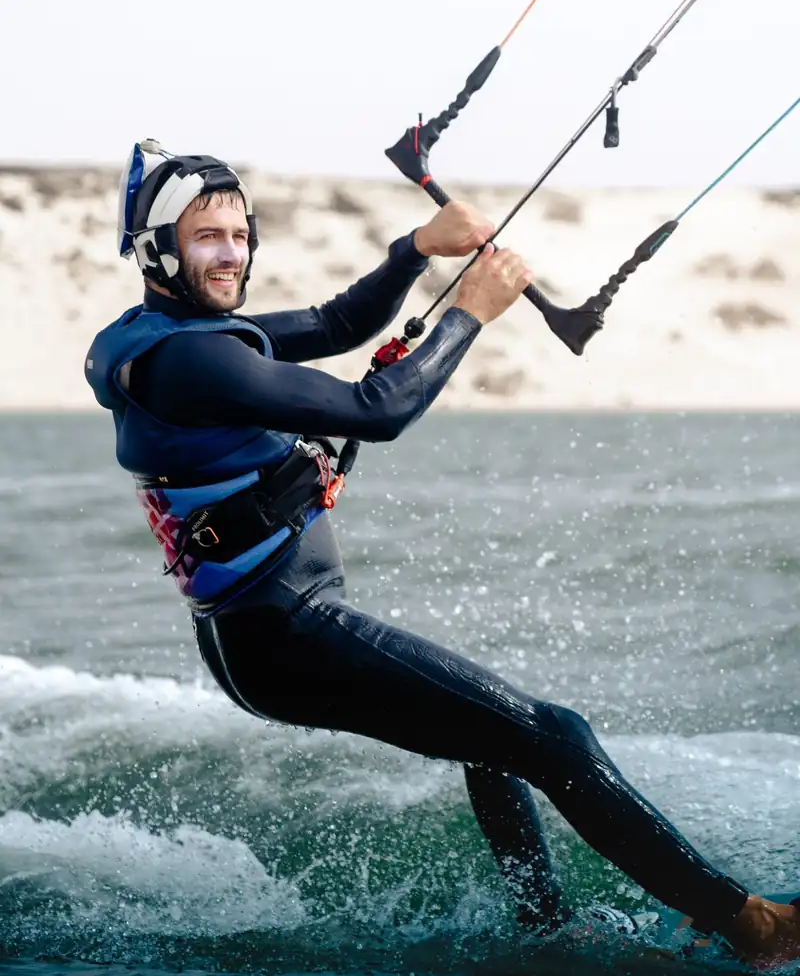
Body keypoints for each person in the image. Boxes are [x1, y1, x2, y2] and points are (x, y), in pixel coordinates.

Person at [86, 140, 799, 966]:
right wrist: (471, 313)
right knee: (554, 736)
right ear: (157, 248)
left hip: (263, 635)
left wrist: (414, 251)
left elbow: (333, 325)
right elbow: (377, 409)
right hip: (284, 629)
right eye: (207, 236)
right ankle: (752, 927)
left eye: (242, 235)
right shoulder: (193, 358)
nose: (233, 254)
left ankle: (545, 928)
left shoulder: (164, 337)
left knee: (491, 740)